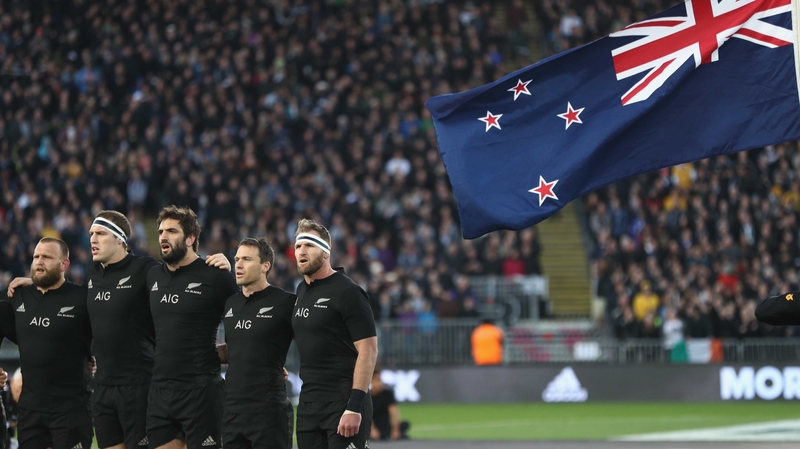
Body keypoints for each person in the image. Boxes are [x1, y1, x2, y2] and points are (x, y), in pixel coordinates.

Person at [7, 210, 231, 449]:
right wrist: (39, 281)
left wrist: (216, 262)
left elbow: (180, 275)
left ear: (120, 240)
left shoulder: (146, 269)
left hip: (140, 387)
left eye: (100, 233)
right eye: (91, 233)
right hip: (103, 388)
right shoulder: (92, 273)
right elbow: (71, 298)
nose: (92, 239)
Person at [146, 206, 237, 449]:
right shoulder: (153, 276)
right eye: (161, 231)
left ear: (190, 238)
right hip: (160, 390)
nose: (163, 236)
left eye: (172, 231)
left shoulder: (216, 276)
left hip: (201, 391)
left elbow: (246, 319)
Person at [292, 219, 378, 449]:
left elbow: (368, 350)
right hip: (309, 403)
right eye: (298, 246)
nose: (301, 251)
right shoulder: (301, 291)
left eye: (309, 245)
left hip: (343, 401)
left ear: (326, 252)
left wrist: (354, 405)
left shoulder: (349, 292)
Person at [6, 238, 93, 449]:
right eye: (36, 256)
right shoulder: (17, 296)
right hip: (30, 411)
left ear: (64, 265)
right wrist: (31, 282)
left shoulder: (83, 299)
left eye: (46, 257)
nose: (39, 261)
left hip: (71, 410)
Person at [216, 238, 295, 449]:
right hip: (232, 410)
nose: (238, 265)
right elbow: (238, 348)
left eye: (247, 259)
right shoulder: (230, 303)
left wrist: (274, 359)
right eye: (237, 259)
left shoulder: (286, 302)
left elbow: (311, 340)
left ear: (265, 266)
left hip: (268, 410)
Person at [369, 371, 409, 441]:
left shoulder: (387, 394)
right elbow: (366, 415)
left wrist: (395, 430)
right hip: (371, 425)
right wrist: (372, 430)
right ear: (371, 381)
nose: (380, 383)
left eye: (381, 380)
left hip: (385, 425)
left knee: (405, 424)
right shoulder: (367, 396)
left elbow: (394, 413)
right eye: (377, 380)